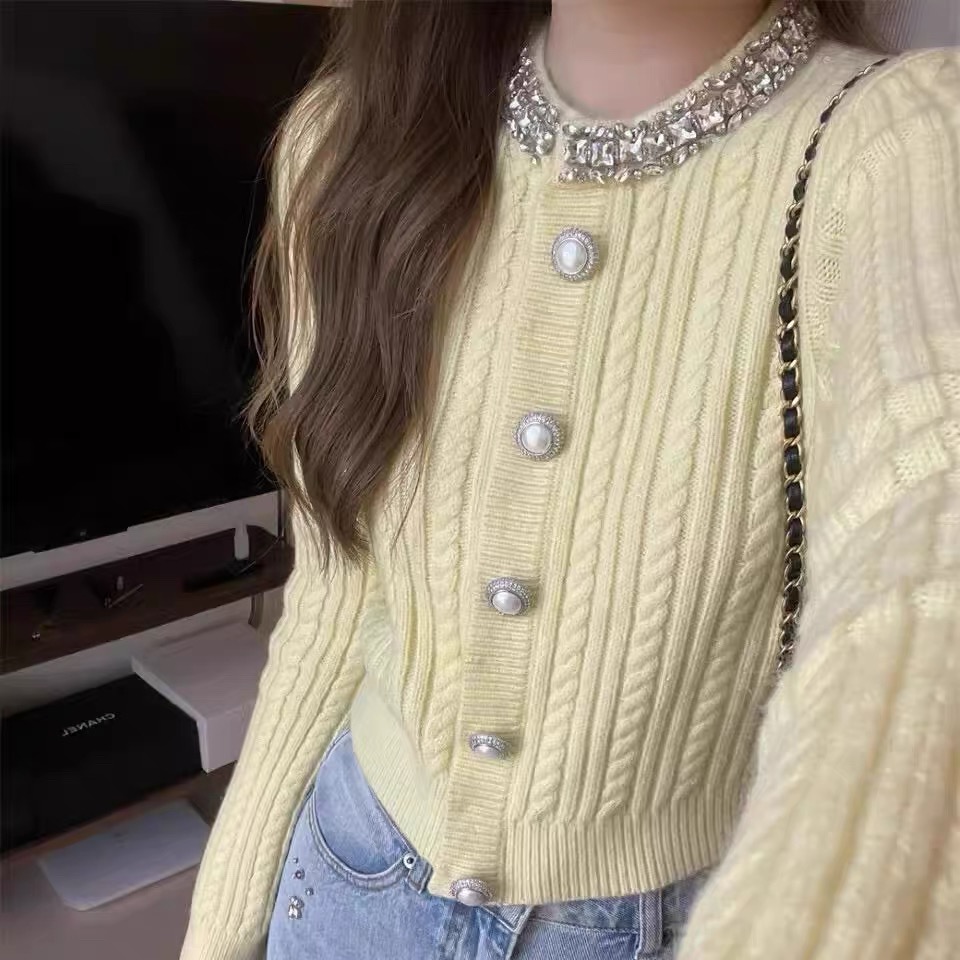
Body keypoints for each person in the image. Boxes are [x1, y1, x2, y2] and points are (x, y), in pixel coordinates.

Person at [180, 2, 959, 958]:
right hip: (340, 885)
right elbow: (336, 593)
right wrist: (221, 925)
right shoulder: (352, 134)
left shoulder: (896, 145)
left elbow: (927, 537)